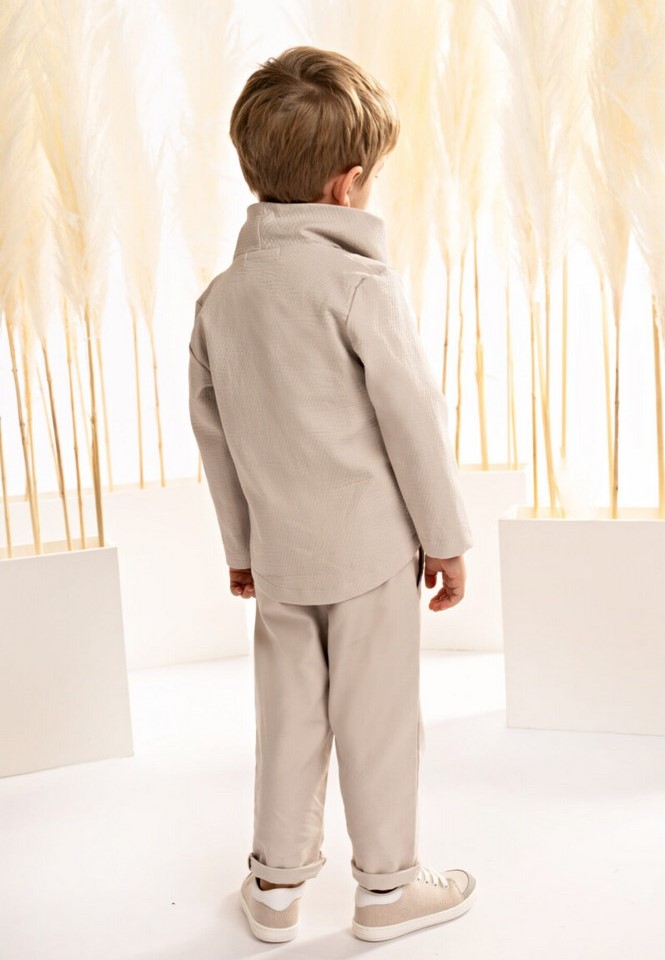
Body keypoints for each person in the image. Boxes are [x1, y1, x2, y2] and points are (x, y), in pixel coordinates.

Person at [188, 44, 476, 944]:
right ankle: (387, 891)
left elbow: (214, 437)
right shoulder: (358, 283)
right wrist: (444, 537)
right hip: (372, 553)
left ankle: (274, 887)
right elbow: (411, 417)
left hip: (280, 557)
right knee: (376, 720)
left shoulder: (220, 301)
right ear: (347, 187)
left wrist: (240, 549)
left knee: (288, 721)